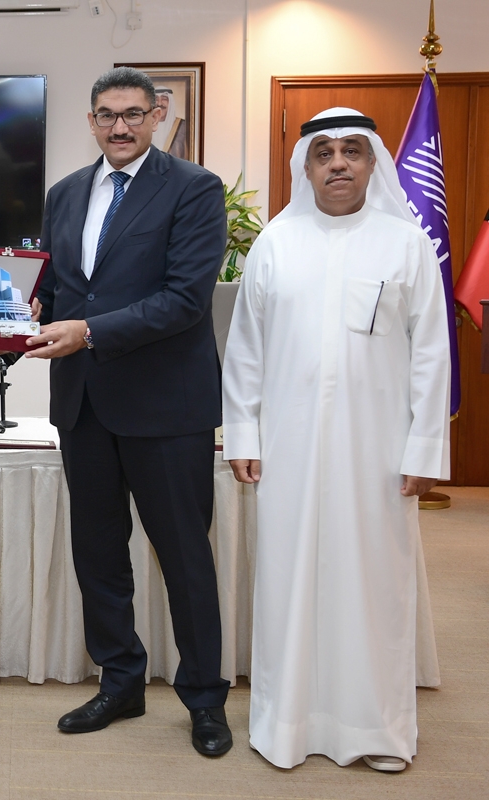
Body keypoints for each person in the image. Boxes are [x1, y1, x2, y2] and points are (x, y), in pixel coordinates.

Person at [222, 107, 450, 772]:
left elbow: (431, 353)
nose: (339, 163)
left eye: (352, 150)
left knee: (374, 586)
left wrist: (424, 448)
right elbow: (245, 351)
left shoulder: (405, 244)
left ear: (373, 161)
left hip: (377, 451)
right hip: (287, 449)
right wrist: (243, 433)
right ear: (307, 166)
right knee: (288, 582)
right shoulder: (276, 243)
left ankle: (376, 730)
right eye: (324, 152)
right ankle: (286, 726)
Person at [26, 67, 232, 756]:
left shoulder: (195, 189)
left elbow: (185, 299)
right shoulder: (64, 194)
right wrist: (28, 309)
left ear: (157, 115)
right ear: (91, 121)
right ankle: (121, 682)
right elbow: (61, 288)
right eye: (107, 115)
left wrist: (87, 331)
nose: (120, 127)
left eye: (133, 114)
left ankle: (205, 699)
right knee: (99, 556)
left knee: (184, 558)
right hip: (83, 404)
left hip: (166, 406)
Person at [152, 86, 189, 161]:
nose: (159, 103)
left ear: (171, 102)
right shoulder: (143, 126)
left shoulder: (183, 126)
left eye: (164, 99)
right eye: (156, 99)